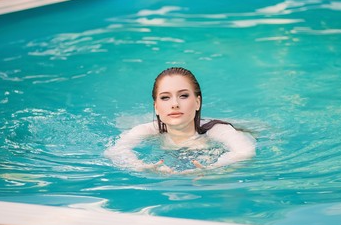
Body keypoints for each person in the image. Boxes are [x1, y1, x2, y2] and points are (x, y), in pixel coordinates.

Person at [104, 67, 256, 174]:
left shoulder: (217, 130)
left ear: (197, 102)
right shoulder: (146, 130)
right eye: (165, 97)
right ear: (156, 107)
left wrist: (215, 169)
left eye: (183, 95)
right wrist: (139, 166)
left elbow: (245, 152)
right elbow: (115, 151)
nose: (174, 104)